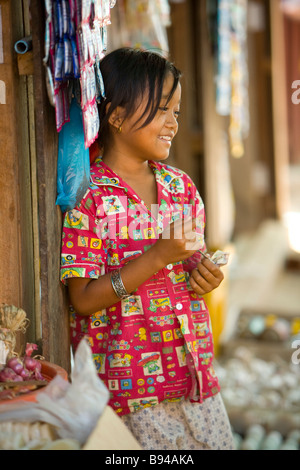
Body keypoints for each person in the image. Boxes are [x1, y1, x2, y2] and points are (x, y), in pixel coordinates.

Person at [60, 47, 235, 450]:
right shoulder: (90, 198)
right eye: (161, 109)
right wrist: (156, 256)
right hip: (132, 393)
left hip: (195, 377)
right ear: (116, 116)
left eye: (176, 110)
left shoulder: (180, 187)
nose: (173, 122)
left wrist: (205, 276)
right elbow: (83, 300)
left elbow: (191, 266)